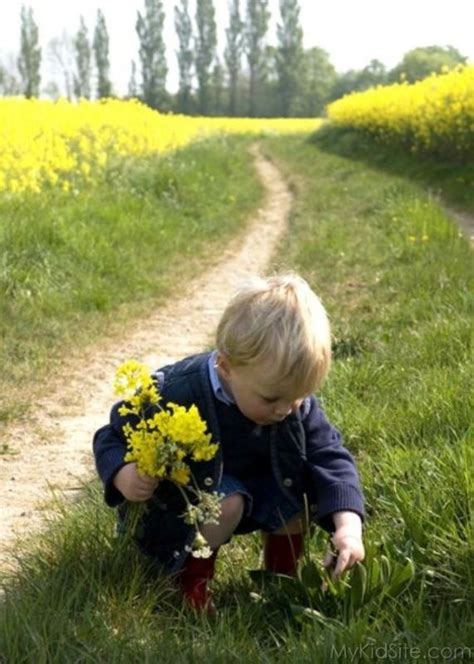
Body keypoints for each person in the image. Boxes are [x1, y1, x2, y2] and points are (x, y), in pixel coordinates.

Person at [93, 273, 365, 612]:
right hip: (189, 506)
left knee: (300, 495)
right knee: (229, 500)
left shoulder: (291, 402)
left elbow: (331, 458)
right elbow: (111, 436)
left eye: (298, 398)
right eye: (271, 399)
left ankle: (281, 580)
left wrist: (348, 527)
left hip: (262, 487)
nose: (285, 410)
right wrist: (124, 474)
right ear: (226, 366)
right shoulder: (175, 393)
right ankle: (190, 580)